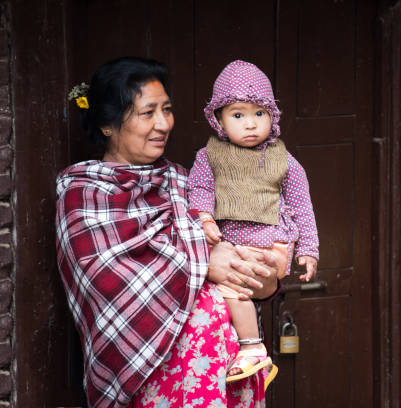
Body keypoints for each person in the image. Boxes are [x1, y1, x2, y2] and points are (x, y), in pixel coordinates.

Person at [56, 57, 279, 408]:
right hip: (157, 383)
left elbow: (236, 249)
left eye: (167, 109)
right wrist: (205, 260)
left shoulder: (183, 181)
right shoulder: (85, 194)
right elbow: (109, 279)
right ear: (107, 125)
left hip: (226, 375)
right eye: (148, 113)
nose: (163, 124)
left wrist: (258, 271)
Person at [187, 60, 319, 382]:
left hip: (272, 238)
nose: (250, 124)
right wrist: (205, 218)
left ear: (272, 116)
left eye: (259, 114)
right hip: (232, 239)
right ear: (218, 119)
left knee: (235, 282)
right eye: (238, 114)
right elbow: (199, 188)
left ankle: (251, 348)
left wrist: (309, 249)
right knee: (233, 286)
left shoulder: (282, 158)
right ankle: (253, 348)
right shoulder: (208, 156)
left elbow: (302, 204)